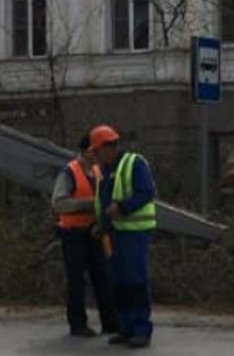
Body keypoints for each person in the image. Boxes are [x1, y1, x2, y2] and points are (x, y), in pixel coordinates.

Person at [89, 124, 157, 349]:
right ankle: (126, 327)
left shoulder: (134, 164)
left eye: (97, 152)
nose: (96, 157)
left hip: (135, 233)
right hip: (116, 234)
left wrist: (123, 208)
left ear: (109, 148)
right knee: (118, 281)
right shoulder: (106, 171)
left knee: (135, 280)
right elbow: (105, 203)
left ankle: (140, 329)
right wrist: (102, 225)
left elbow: (146, 192)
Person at [51, 135, 120, 338]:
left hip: (94, 232)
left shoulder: (97, 171)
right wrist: (90, 204)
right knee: (76, 280)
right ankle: (78, 324)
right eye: (94, 150)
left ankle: (110, 322)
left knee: (102, 277)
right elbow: (59, 203)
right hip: (73, 234)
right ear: (86, 151)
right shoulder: (69, 172)